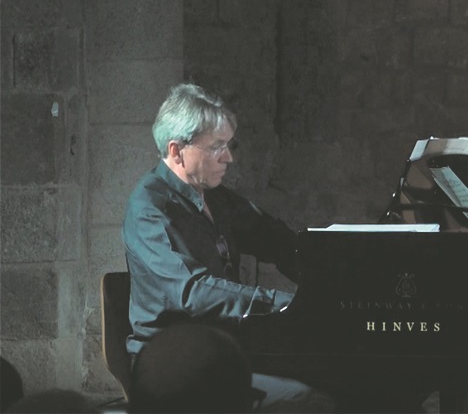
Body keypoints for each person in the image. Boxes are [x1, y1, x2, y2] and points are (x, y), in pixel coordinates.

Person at [122, 83, 330, 412]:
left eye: (228, 145)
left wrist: (331, 277)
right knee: (303, 398)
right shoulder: (149, 208)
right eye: (216, 147)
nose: (229, 157)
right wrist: (283, 303)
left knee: (332, 373)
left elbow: (276, 241)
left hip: (222, 348)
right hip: (173, 362)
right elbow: (192, 291)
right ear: (176, 151)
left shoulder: (216, 197)